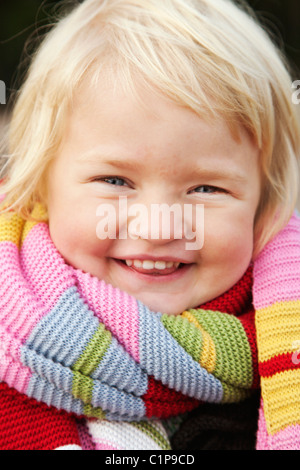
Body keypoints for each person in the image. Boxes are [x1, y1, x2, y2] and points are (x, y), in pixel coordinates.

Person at [0, 0, 299, 451]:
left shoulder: (282, 351)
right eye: (115, 180)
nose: (158, 228)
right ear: (39, 187)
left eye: (206, 189)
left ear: (265, 203)